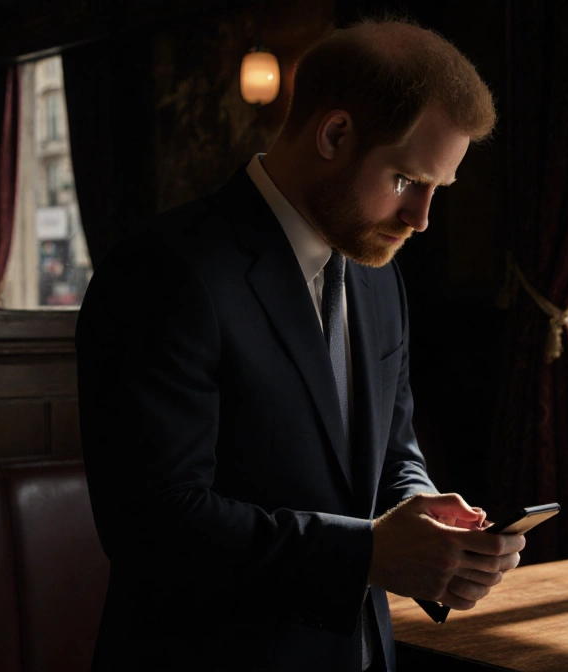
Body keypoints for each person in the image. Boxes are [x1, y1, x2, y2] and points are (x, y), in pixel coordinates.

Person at [75, 19, 525, 671]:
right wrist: (371, 553)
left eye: (437, 190)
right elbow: (154, 524)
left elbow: (392, 451)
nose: (422, 218)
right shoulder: (164, 272)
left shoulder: (381, 278)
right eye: (406, 180)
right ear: (335, 134)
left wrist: (427, 522)